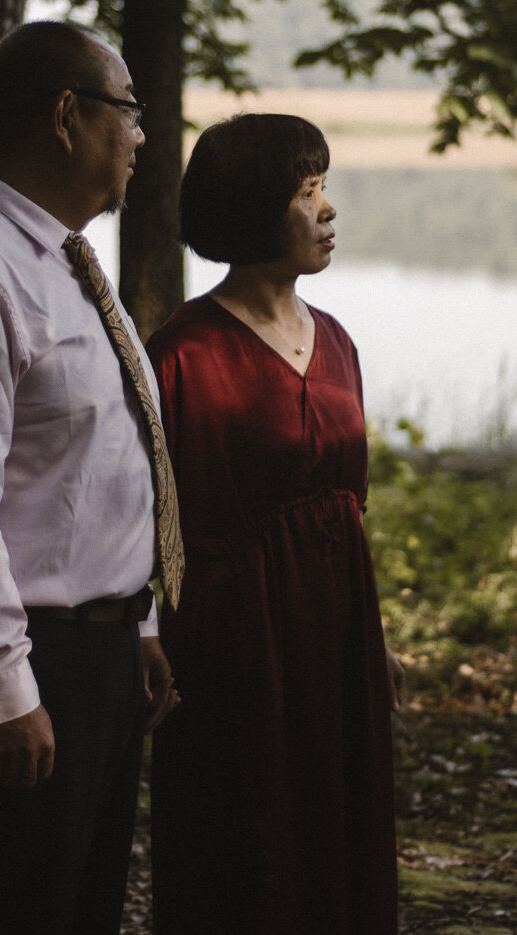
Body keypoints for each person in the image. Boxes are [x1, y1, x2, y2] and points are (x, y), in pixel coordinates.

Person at [0, 21, 183, 935]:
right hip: (25, 662)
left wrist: (134, 621)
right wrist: (6, 687)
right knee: (7, 910)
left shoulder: (63, 264)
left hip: (94, 658)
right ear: (67, 115)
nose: (142, 134)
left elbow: (88, 464)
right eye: (128, 110)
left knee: (78, 913)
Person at [146, 114, 402, 935]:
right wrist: (147, 634)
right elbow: (147, 519)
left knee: (339, 829)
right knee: (244, 843)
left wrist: (376, 635)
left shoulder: (339, 344)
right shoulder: (181, 353)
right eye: (307, 191)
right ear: (258, 207)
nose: (328, 209)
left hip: (336, 631)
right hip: (232, 642)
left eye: (324, 187)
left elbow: (347, 509)